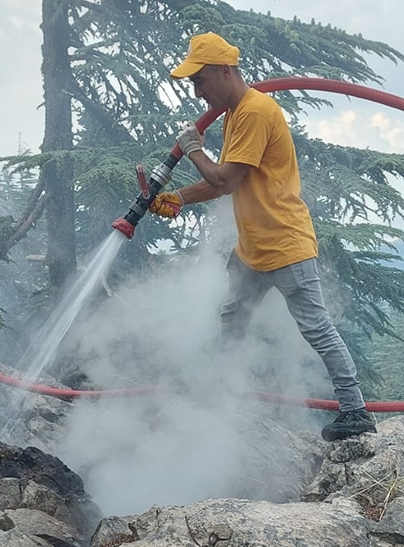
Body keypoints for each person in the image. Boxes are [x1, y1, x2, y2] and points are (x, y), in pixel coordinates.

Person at [143, 32, 376, 442]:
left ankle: (355, 409)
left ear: (224, 71)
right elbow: (221, 184)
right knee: (232, 319)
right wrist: (177, 198)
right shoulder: (236, 114)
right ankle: (221, 394)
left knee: (317, 328)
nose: (197, 93)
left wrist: (192, 148)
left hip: (284, 245)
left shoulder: (254, 111)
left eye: (200, 81)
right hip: (252, 250)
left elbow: (225, 179)